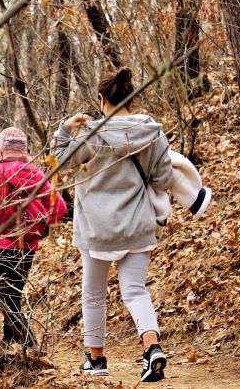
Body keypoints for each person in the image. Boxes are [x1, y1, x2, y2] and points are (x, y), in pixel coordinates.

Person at [52, 67, 172, 382]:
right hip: (137, 223)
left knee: (93, 294)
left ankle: (97, 360)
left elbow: (59, 161)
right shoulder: (152, 132)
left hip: (96, 229)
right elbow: (162, 179)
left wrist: (65, 130)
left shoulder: (90, 135)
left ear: (101, 98)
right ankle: (152, 347)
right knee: (135, 291)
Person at [0, 127, 66, 347]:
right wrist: (40, 226)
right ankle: (7, 343)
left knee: (5, 298)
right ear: (24, 150)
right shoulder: (34, 173)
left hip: (0, 243)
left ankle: (30, 345)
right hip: (28, 245)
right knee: (12, 295)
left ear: (1, 151)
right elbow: (60, 207)